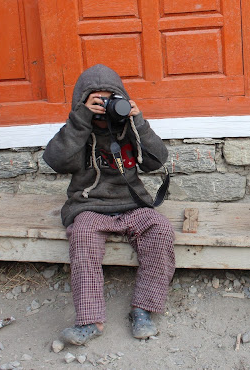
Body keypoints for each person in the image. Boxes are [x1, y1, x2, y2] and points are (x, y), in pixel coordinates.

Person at [43, 64, 175, 345]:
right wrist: (80, 119)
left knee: (161, 228)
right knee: (82, 236)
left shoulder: (130, 128)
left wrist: (138, 122)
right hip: (90, 206)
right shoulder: (77, 130)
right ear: (82, 102)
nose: (104, 108)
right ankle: (90, 321)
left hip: (132, 204)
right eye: (96, 101)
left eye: (110, 100)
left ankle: (143, 310)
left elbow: (156, 161)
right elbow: (56, 160)